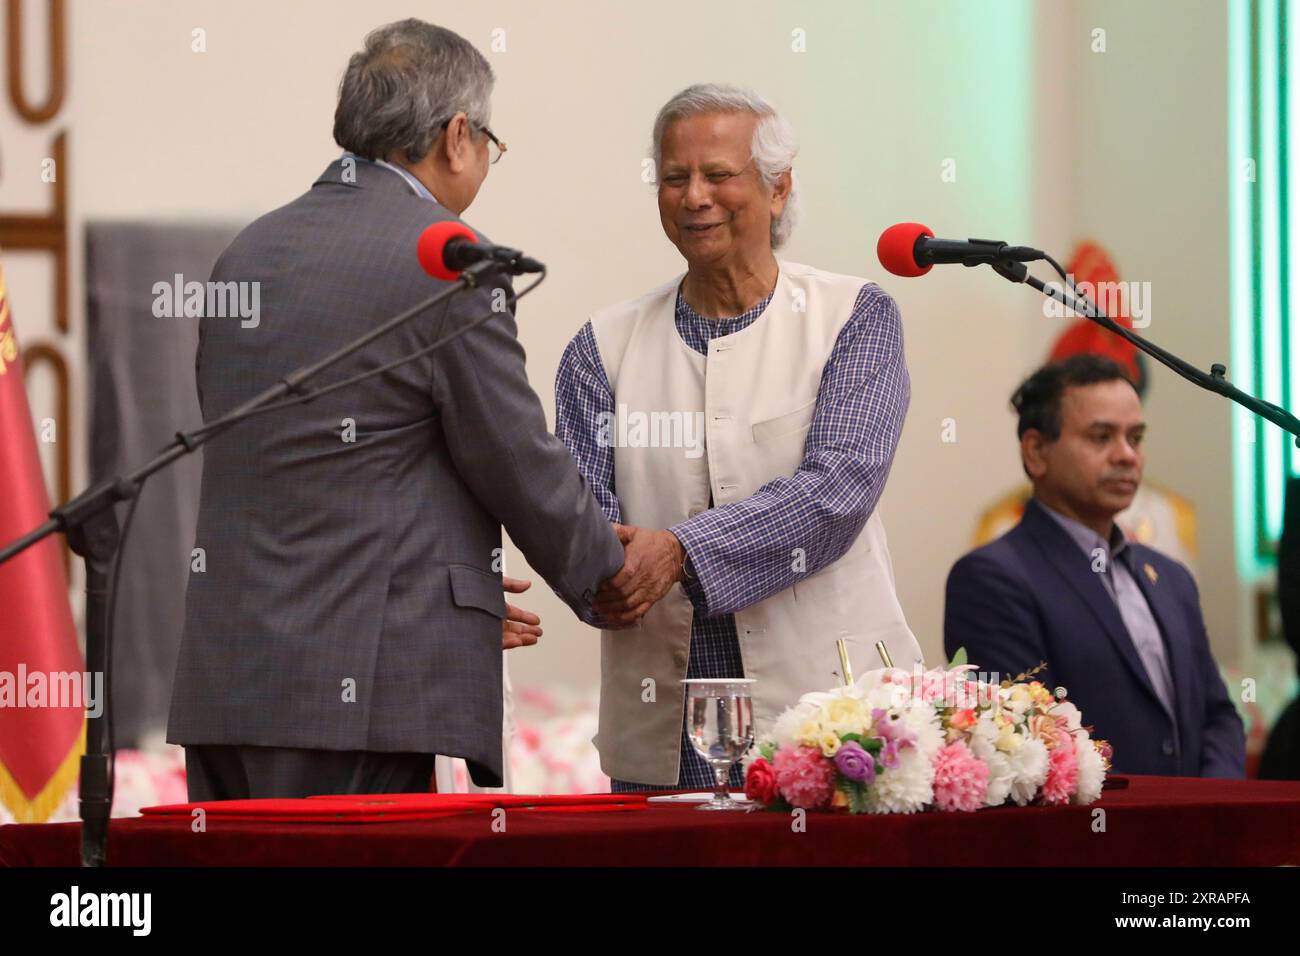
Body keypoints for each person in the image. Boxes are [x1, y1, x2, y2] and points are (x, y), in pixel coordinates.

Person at [168, 19, 624, 799]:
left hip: (229, 678)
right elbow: (513, 456)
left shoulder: (247, 251)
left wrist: (451, 599)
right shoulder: (446, 257)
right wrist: (608, 572)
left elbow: (316, 456)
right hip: (355, 692)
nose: (485, 159)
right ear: (455, 135)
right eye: (488, 140)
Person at [556, 83, 922, 791]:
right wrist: (592, 569)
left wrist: (680, 549)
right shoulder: (601, 347)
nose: (694, 196)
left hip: (834, 724)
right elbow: (576, 512)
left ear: (778, 189)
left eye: (719, 175)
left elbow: (837, 492)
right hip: (662, 727)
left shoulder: (853, 318)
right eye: (673, 177)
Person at [944, 355, 1245, 777]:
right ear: (1035, 452)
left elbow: (1217, 716)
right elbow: (1027, 741)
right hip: (1094, 834)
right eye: (1101, 437)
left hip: (1197, 832)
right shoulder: (994, 578)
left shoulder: (1170, 578)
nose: (1126, 455)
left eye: (1136, 438)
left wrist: (1213, 807)